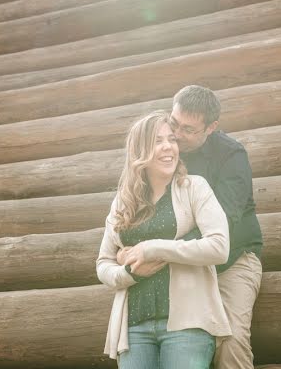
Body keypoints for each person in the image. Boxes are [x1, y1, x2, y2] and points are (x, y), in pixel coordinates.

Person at [97, 110, 232, 368]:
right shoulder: (123, 202)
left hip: (187, 327)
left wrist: (152, 248)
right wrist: (131, 274)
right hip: (133, 329)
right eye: (158, 141)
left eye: (171, 139)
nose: (168, 147)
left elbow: (219, 246)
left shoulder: (195, 187)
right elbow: (103, 263)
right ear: (140, 151)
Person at [169, 85, 263, 369]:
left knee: (230, 341)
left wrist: (169, 250)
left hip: (232, 260)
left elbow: (223, 220)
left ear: (211, 127)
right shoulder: (162, 145)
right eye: (174, 123)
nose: (176, 134)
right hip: (179, 264)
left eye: (188, 129)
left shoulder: (231, 155)